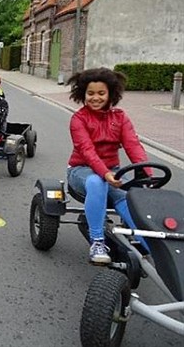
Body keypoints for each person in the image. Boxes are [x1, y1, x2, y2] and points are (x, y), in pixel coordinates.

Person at [66, 67, 151, 264]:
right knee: (97, 182)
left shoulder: (120, 118)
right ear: (83, 94)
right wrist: (104, 173)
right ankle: (97, 241)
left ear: (111, 94)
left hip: (113, 172)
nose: (96, 98)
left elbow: (133, 146)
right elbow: (87, 150)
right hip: (81, 170)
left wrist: (146, 175)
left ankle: (148, 243)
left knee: (129, 196)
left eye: (101, 93)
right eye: (91, 93)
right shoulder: (78, 119)